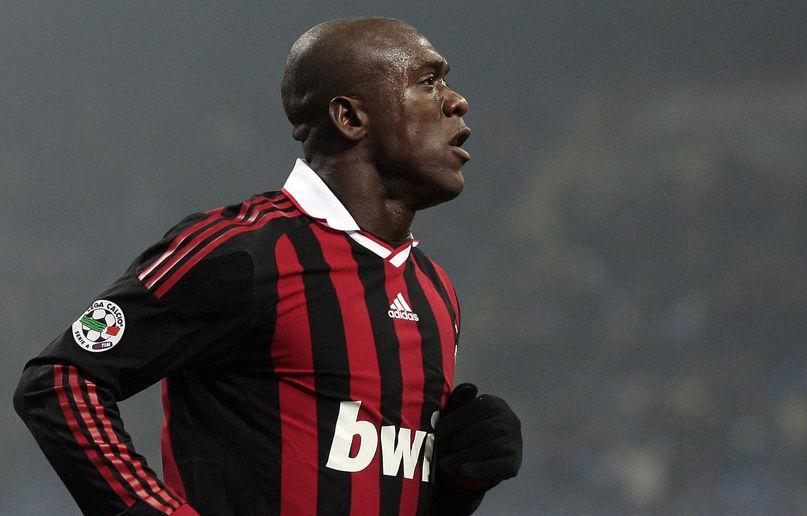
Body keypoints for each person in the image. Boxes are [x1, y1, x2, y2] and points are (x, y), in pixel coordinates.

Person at [14, 17, 522, 516]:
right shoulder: (243, 251)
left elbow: (378, 477)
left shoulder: (435, 290)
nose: (457, 101)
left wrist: (460, 483)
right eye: (428, 81)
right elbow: (61, 380)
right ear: (350, 117)